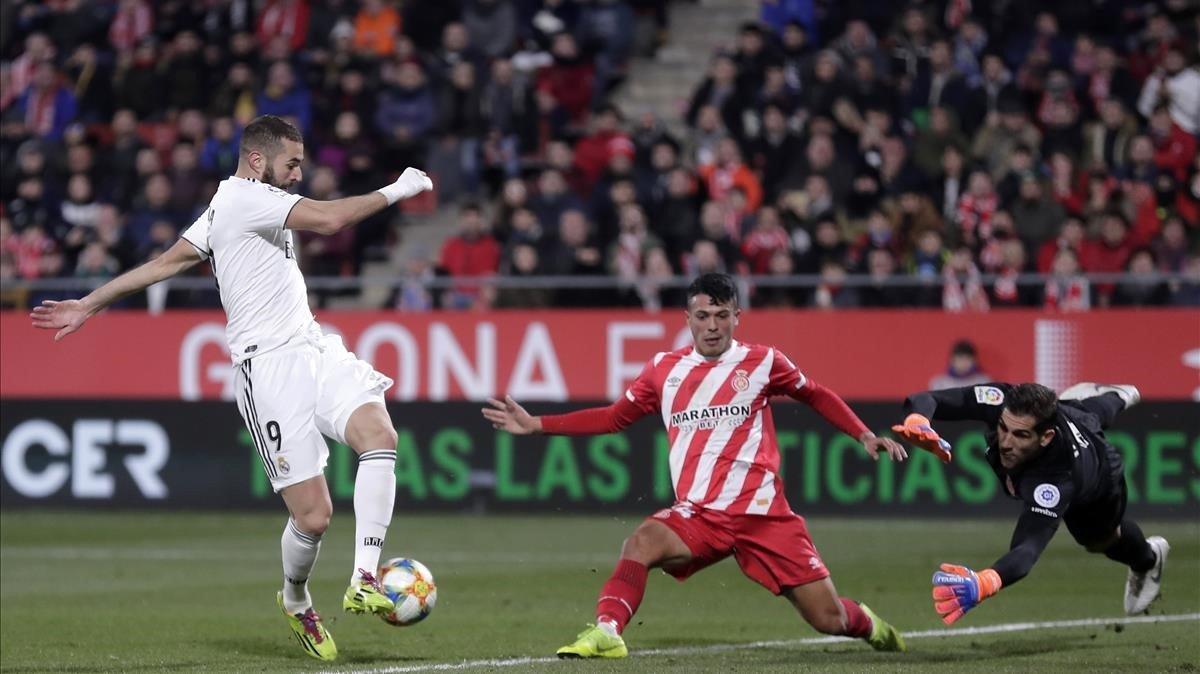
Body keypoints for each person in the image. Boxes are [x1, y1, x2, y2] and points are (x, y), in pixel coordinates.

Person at [29, 115, 434, 662]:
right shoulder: (245, 200)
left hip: (313, 347)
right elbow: (332, 221)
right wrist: (398, 189)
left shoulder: (229, 204)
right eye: (292, 164)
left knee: (380, 435)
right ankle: (295, 600)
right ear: (258, 160)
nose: (298, 174)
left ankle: (365, 575)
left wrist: (89, 302)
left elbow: (165, 263)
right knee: (313, 517)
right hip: (266, 371)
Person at [482, 272, 909, 659]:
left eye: (722, 316)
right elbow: (614, 418)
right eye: (702, 316)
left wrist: (863, 434)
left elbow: (814, 393)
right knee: (640, 543)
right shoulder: (663, 371)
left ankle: (869, 624)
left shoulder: (763, 362)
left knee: (828, 619)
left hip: (765, 517)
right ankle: (608, 630)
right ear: (687, 318)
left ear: (737, 317)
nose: (712, 326)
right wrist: (537, 424)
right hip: (701, 515)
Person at [891, 382, 1168, 625]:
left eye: (1020, 435)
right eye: (1003, 428)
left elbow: (1027, 548)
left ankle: (1150, 558)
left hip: (1099, 477)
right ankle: (1113, 396)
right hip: (1071, 420)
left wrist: (984, 582)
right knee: (1083, 413)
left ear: (1045, 438)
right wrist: (918, 421)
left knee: (1099, 540)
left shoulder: (1057, 479)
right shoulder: (1003, 400)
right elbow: (928, 399)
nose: (1006, 443)